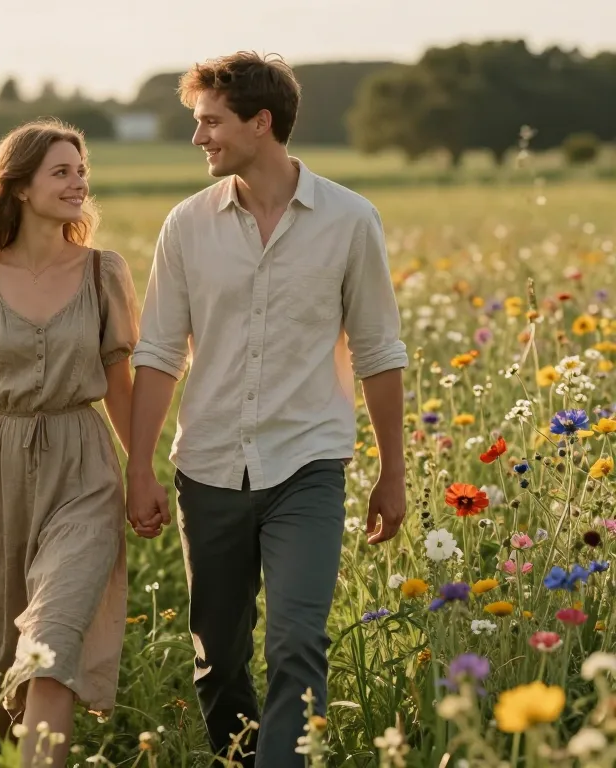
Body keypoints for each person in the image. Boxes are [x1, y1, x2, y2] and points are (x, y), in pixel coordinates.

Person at [125, 52, 408, 767]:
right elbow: (158, 353)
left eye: (211, 122)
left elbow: (378, 351)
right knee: (218, 657)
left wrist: (392, 472)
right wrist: (139, 468)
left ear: (261, 123)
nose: (199, 138)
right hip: (208, 467)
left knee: (296, 641)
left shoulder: (350, 220)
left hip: (307, 465)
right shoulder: (186, 225)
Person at [0, 119, 139, 766]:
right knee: (7, 657)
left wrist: (144, 474)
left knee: (53, 641)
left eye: (81, 171)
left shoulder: (103, 272)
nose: (78, 183)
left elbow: (120, 385)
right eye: (60, 172)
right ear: (19, 187)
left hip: (84, 465)